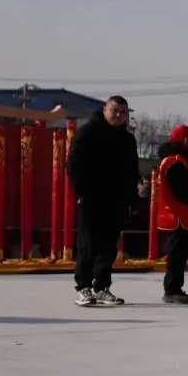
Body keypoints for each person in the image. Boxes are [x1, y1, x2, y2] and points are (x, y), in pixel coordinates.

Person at [67, 95, 140, 307]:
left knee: (109, 247)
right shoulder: (88, 133)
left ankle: (102, 287)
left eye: (123, 112)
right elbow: (73, 165)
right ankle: (83, 287)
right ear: (105, 109)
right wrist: (80, 193)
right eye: (114, 110)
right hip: (91, 197)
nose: (118, 115)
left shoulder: (127, 139)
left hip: (116, 200)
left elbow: (132, 171)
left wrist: (131, 199)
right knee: (88, 244)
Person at [155, 125, 188, 304]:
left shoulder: (179, 160)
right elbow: (180, 191)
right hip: (177, 216)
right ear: (185, 140)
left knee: (180, 253)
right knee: (177, 253)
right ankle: (172, 289)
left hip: (181, 215)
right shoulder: (175, 162)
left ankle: (175, 287)